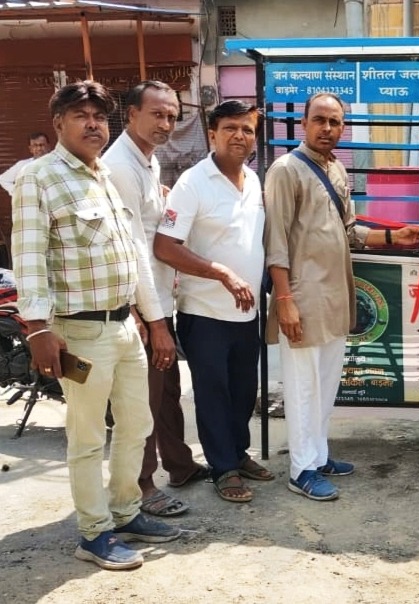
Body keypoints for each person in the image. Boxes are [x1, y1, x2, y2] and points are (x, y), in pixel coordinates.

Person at [11, 81, 180, 571]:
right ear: (58, 123)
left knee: (137, 424)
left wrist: (154, 320)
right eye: (80, 115)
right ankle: (94, 533)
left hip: (125, 326)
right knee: (87, 438)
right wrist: (38, 329)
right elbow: (29, 258)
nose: (92, 124)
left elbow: (135, 254)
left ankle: (125, 512)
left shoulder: (104, 174)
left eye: (100, 117)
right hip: (79, 332)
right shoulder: (39, 178)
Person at [264, 92, 419, 502]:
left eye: (335, 122)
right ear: (304, 123)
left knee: (325, 384)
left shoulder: (336, 169)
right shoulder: (285, 171)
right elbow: (275, 242)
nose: (327, 128)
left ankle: (318, 456)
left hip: (335, 296)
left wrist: (394, 237)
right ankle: (301, 469)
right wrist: (284, 300)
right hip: (301, 298)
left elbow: (350, 231)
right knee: (302, 388)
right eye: (320, 120)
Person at [154, 100, 271, 504]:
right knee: (213, 394)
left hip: (247, 312)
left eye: (248, 129)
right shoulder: (192, 183)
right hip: (204, 314)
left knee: (243, 391)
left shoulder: (254, 181)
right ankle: (223, 468)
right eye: (231, 128)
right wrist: (221, 273)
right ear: (212, 135)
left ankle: (237, 454)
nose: (240, 136)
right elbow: (165, 246)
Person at [103, 81, 209, 518]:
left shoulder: (147, 160)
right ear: (131, 114)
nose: (166, 123)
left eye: (172, 116)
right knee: (141, 401)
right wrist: (154, 322)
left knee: (166, 391)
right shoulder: (120, 167)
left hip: (160, 299)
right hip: (142, 306)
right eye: (157, 114)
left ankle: (179, 466)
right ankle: (142, 485)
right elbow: (132, 251)